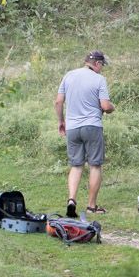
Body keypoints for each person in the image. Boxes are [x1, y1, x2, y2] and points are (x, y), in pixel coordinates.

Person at [54, 50, 115, 217]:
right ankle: (91, 206)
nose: (102, 69)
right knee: (95, 165)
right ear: (97, 64)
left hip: (72, 128)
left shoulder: (69, 75)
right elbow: (105, 106)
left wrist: (61, 122)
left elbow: (59, 101)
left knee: (76, 165)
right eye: (102, 65)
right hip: (92, 126)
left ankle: (72, 200)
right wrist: (112, 107)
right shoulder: (99, 79)